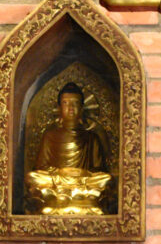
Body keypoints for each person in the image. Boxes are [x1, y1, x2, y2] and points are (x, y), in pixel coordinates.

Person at [26, 82, 112, 215]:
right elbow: (40, 168)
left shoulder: (91, 138)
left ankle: (67, 199)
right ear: (59, 108)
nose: (70, 107)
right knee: (33, 177)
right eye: (66, 103)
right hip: (58, 181)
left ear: (82, 108)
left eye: (75, 103)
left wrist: (83, 174)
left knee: (105, 178)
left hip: (83, 181)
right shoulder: (50, 136)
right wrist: (61, 174)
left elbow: (99, 170)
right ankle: (73, 199)